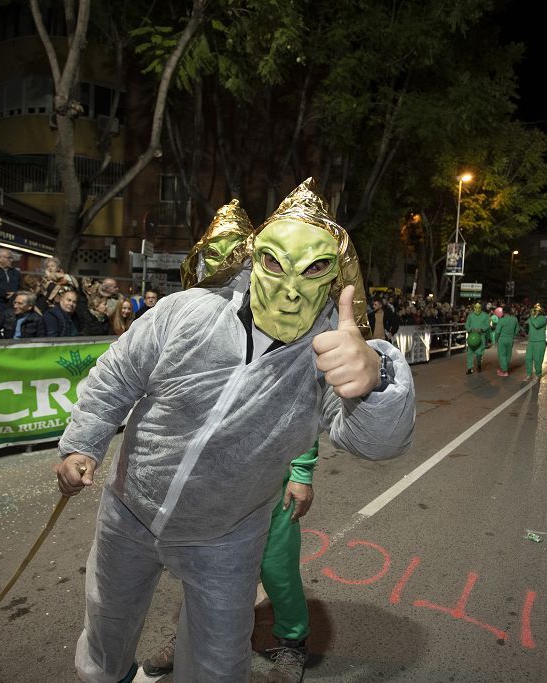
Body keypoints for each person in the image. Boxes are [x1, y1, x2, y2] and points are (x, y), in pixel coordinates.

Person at [54, 180, 414, 683]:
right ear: (252, 259)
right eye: (274, 263)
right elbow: (116, 377)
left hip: (226, 536)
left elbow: (379, 443)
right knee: (105, 633)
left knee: (219, 665)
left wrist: (375, 379)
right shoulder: (187, 313)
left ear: (335, 277)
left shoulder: (329, 349)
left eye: (313, 270)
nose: (291, 290)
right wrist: (81, 445)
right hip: (129, 513)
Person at [142, 201, 328, 682]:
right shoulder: (201, 319)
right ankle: (192, 635)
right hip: (211, 478)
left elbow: (303, 403)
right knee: (199, 564)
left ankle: (290, 640)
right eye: (213, 254)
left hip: (271, 476)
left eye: (232, 254)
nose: (220, 264)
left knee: (276, 566)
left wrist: (302, 472)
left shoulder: (286, 317)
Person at [523, 303, 547, 381]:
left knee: (537, 359)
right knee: (528, 358)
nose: (535, 311)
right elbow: (525, 324)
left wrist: (531, 317)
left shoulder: (543, 318)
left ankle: (538, 374)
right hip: (531, 341)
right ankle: (529, 374)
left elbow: (536, 325)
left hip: (539, 341)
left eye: (537, 310)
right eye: (534, 310)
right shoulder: (531, 318)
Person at [464, 302, 489, 374]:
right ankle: (470, 368)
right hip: (472, 337)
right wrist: (470, 329)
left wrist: (481, 329)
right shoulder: (470, 316)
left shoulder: (485, 316)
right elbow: (466, 325)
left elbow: (487, 325)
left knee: (479, 353)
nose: (477, 309)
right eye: (475, 307)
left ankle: (479, 364)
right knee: (470, 353)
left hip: (481, 337)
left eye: (479, 307)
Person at [494, 305, 518, 377]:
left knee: (502, 355)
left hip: (502, 339)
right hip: (510, 339)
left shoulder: (502, 320)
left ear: (503, 312)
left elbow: (497, 332)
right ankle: (504, 368)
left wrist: (496, 340)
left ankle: (504, 371)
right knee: (508, 355)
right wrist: (513, 336)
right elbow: (517, 330)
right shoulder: (514, 319)